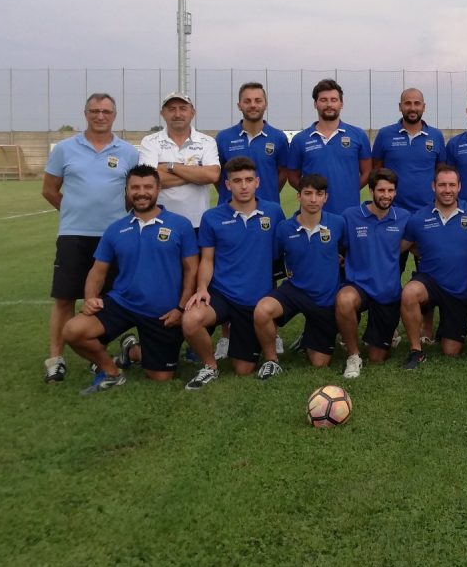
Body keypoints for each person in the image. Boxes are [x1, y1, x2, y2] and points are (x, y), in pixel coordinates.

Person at [62, 165, 198, 395]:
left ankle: (132, 350)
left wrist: (181, 308)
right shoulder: (116, 229)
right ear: (127, 191)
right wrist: (90, 298)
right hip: (122, 304)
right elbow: (97, 271)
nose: (141, 192)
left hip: (163, 312)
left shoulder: (180, 224)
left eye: (147, 187)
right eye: (135, 187)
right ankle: (111, 373)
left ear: (158, 189)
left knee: (161, 377)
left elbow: (191, 270)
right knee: (73, 331)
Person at [41, 93, 139, 383]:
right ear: (85, 113)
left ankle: (99, 356)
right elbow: (49, 189)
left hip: (113, 238)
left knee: (107, 299)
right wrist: (72, 211)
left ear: (114, 115)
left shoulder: (127, 152)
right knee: (65, 297)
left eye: (106, 111)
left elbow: (134, 192)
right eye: (94, 111)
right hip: (73, 235)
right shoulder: (65, 149)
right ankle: (56, 360)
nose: (100, 116)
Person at [180, 157, 285, 388]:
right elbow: (207, 259)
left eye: (249, 180)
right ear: (227, 185)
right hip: (222, 294)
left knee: (243, 369)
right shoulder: (212, 217)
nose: (244, 186)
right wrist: (201, 289)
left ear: (257, 182)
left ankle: (270, 358)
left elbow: (286, 248)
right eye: (237, 181)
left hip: (255, 299)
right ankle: (209, 366)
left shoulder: (274, 212)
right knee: (191, 319)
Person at [251, 174, 348, 380]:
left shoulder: (338, 223)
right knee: (262, 311)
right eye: (308, 193)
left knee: (319, 363)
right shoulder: (284, 228)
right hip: (294, 290)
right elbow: (276, 260)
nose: (313, 199)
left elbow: (348, 252)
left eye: (318, 194)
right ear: (299, 197)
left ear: (326, 198)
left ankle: (308, 338)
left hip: (325, 297)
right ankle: (271, 361)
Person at [398, 165, 467, 369]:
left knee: (451, 351)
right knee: (409, 293)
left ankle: (446, 328)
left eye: (452, 185)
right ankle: (416, 350)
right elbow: (399, 248)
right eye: (442, 185)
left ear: (459, 187)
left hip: (458, 290)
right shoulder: (418, 218)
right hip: (430, 283)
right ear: (433, 186)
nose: (447, 190)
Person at [335, 168, 408, 375]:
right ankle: (353, 356)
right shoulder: (351, 216)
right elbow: (335, 243)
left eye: (391, 190)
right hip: (358, 286)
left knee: (377, 358)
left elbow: (415, 245)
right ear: (371, 190)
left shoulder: (403, 218)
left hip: (387, 291)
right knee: (344, 300)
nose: (386, 195)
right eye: (381, 190)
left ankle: (387, 335)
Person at [286, 78, 371, 216]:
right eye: (323, 100)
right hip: (313, 215)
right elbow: (292, 176)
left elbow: (367, 172)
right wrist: (311, 194)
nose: (329, 104)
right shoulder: (300, 139)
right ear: (315, 104)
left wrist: (350, 189)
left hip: (348, 213)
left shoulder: (358, 135)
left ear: (341, 103)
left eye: (333, 100)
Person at [138, 92, 221, 230]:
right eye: (171, 109)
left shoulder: (207, 142)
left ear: (192, 112)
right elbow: (148, 181)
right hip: (158, 222)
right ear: (162, 113)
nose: (177, 114)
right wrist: (196, 174)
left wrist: (170, 166)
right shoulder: (150, 142)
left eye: (183, 108)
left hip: (198, 224)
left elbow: (212, 175)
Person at [214, 82, 290, 206]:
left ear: (265, 104)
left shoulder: (278, 137)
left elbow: (283, 173)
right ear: (239, 105)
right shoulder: (223, 138)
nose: (253, 105)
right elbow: (217, 176)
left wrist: (267, 192)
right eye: (247, 101)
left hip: (267, 212)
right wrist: (229, 192)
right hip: (230, 211)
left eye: (258, 100)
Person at [372, 87, 445, 215]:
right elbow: (376, 171)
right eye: (407, 103)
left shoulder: (436, 136)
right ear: (400, 107)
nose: (412, 108)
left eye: (417, 103)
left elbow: (441, 173)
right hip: (393, 211)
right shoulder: (384, 134)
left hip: (428, 211)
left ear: (424, 107)